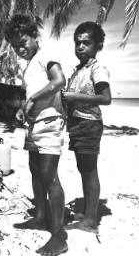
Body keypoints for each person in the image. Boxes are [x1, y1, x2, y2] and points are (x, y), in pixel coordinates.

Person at [3, 14, 68, 256]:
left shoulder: (46, 55)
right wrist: (23, 108)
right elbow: (33, 92)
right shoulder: (29, 66)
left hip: (50, 123)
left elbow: (59, 81)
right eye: (15, 46)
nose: (20, 49)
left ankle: (59, 234)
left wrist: (32, 99)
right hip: (34, 125)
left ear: (34, 36)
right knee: (35, 171)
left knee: (50, 177)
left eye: (24, 42)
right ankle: (40, 216)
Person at [63, 21, 111, 233]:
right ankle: (88, 211)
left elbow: (106, 98)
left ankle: (91, 219)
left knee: (90, 171)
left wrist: (74, 96)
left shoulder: (97, 68)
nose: (80, 46)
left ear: (98, 45)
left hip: (89, 125)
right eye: (77, 43)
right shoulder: (77, 70)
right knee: (83, 169)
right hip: (77, 124)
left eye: (86, 43)